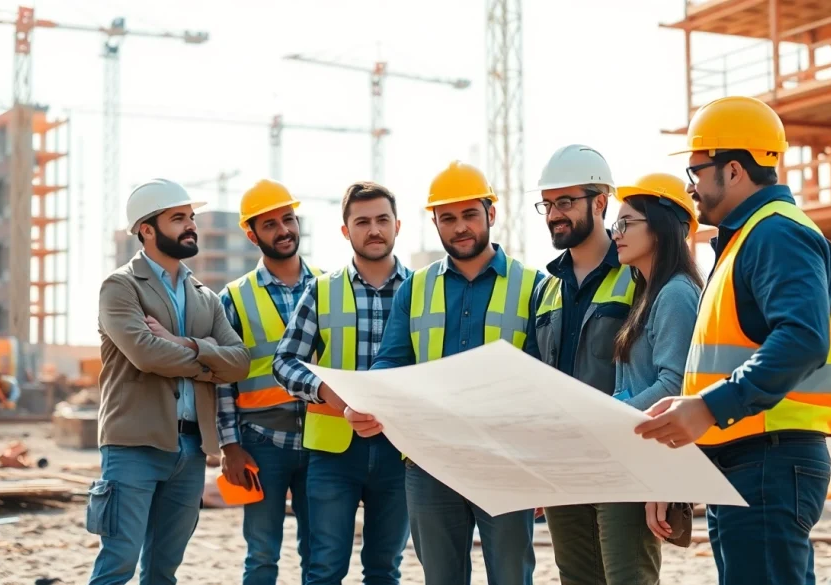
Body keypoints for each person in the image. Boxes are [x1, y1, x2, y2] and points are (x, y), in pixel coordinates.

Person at [634, 95, 831, 585]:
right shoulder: (748, 239)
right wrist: (685, 448)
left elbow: (802, 338)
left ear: (732, 171)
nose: (691, 187)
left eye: (696, 171)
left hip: (770, 461)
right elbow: (733, 358)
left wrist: (708, 407)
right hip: (751, 460)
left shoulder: (775, 235)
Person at [345, 161, 544, 585]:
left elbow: (547, 382)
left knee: (512, 577)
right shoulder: (415, 288)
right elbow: (390, 363)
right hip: (430, 461)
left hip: (506, 462)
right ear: (434, 222)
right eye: (447, 218)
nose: (460, 227)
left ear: (492, 213)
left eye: (469, 214)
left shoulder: (534, 286)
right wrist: (366, 401)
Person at [88, 178, 251, 585]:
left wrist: (184, 345)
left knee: (164, 570)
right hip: (134, 446)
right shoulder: (120, 287)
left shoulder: (206, 297)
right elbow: (146, 354)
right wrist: (207, 359)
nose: (190, 225)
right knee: (118, 564)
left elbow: (240, 363)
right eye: (178, 218)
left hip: (192, 448)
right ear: (147, 229)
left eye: (191, 217)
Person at [526, 145, 658, 585]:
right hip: (563, 464)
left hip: (621, 459)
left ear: (599, 202)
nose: (554, 214)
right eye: (548, 203)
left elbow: (665, 373)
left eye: (566, 202)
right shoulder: (546, 289)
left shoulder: (637, 276)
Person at [273, 181, 412, 585]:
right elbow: (284, 361)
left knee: (385, 569)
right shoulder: (322, 290)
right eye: (362, 221)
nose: (373, 230)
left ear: (397, 226)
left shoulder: (423, 289)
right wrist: (331, 396)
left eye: (382, 220)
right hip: (334, 453)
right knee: (324, 569)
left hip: (400, 450)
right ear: (345, 230)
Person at [216, 178, 323, 585]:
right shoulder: (234, 298)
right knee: (261, 555)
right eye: (270, 224)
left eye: (288, 219)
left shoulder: (330, 287)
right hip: (261, 443)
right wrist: (229, 446)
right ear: (251, 233)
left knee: (321, 553)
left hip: (321, 440)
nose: (283, 230)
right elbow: (223, 378)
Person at [608, 173, 703, 558]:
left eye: (627, 223)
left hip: (649, 452)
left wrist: (609, 419)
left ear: (662, 229)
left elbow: (674, 385)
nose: (617, 233)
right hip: (635, 452)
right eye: (617, 224)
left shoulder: (677, 294)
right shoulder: (647, 293)